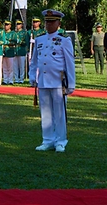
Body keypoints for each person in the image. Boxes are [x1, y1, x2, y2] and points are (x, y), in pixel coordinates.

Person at [30, 9, 76, 153]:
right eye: (47, 22)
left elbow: (69, 63)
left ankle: (60, 141)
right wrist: (32, 76)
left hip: (58, 81)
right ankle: (47, 140)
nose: (49, 25)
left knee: (59, 113)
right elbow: (34, 60)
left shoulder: (64, 40)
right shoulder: (40, 39)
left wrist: (71, 84)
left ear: (58, 23)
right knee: (46, 113)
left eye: (52, 22)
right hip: (43, 81)